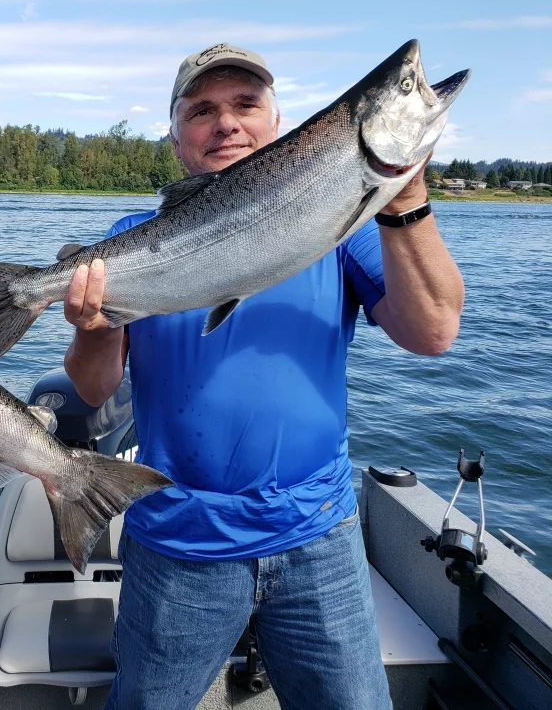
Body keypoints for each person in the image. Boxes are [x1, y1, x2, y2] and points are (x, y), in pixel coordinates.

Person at [63, 44, 465, 709]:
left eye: (246, 105)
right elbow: (92, 390)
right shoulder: (133, 237)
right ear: (176, 141)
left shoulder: (345, 229)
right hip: (178, 544)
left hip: (320, 537)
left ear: (276, 123)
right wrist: (93, 326)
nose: (226, 123)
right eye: (202, 110)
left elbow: (433, 333)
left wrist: (406, 191)